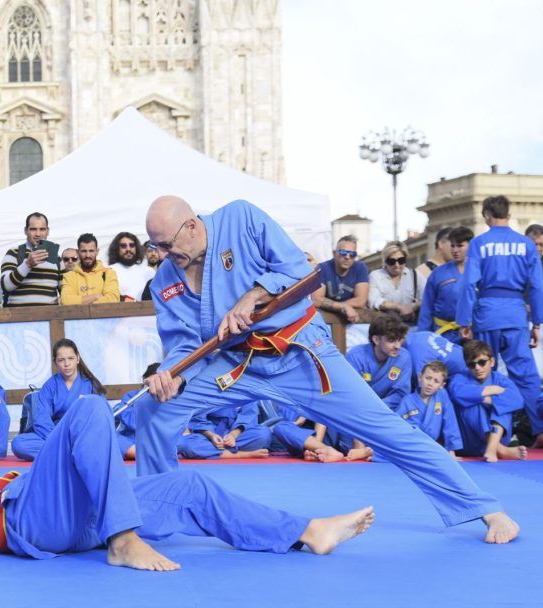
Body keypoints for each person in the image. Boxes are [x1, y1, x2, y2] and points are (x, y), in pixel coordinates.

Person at [135, 196, 518, 544]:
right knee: (153, 409)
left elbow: (300, 271)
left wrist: (253, 295)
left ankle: (486, 508)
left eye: (167, 245)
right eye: (156, 247)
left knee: (386, 429)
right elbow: (184, 343)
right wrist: (174, 374)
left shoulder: (240, 217)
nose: (164, 255)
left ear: (190, 225)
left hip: (301, 354)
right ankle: (155, 509)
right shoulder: (166, 279)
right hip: (236, 362)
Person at [0, 396, 377, 570]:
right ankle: (122, 540)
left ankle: (307, 532)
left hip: (68, 510)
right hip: (29, 520)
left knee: (189, 487)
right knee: (89, 407)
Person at [456, 195, 543, 444]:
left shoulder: (479, 244)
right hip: (517, 314)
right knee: (527, 376)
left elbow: (468, 285)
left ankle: (490, 433)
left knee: (485, 372)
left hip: (487, 313)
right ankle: (541, 429)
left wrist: (464, 320)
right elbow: (538, 286)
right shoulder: (526, 244)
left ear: (487, 215)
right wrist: (538, 322)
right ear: (508, 214)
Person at [323, 313, 412, 460]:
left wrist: (378, 409)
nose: (397, 346)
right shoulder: (356, 356)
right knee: (346, 440)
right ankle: (369, 451)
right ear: (376, 339)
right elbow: (349, 396)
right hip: (356, 413)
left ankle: (369, 451)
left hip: (385, 413)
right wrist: (369, 411)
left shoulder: (404, 357)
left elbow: (400, 394)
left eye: (399, 340)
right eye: (391, 340)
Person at [11, 339, 105, 461]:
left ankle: (64, 455)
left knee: (105, 441)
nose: (67, 364)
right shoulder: (50, 386)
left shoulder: (92, 385)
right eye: (61, 360)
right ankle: (74, 454)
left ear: (77, 359)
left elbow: (101, 417)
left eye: (70, 358)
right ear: (55, 362)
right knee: (19, 444)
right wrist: (59, 439)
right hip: (56, 435)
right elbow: (41, 419)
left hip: (83, 435)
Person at [448, 340, 527, 462]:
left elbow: (517, 400)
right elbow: (456, 393)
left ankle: (492, 447)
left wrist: (491, 401)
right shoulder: (460, 377)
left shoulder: (500, 379)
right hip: (468, 442)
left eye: (482, 362)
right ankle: (500, 450)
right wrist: (488, 391)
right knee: (473, 405)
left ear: (492, 361)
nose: (477, 368)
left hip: (497, 437)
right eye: (471, 364)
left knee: (504, 408)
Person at [395, 361, 462, 456]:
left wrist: (451, 449)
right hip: (408, 444)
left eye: (436, 381)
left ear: (442, 385)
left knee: (441, 456)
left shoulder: (442, 396)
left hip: (430, 446)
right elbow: (395, 423)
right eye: (428, 378)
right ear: (420, 378)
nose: (430, 384)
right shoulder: (408, 401)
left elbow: (450, 422)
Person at [418, 225, 472, 342]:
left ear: (470, 245)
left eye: (460, 246)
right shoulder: (438, 273)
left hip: (472, 334)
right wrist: (423, 337)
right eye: (452, 246)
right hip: (443, 335)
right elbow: (427, 308)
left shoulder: (480, 272)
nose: (455, 250)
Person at [0, 212, 61, 307]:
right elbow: (6, 286)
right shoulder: (14, 253)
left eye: (42, 229)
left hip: (49, 319)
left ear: (48, 231)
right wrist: (27, 264)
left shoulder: (56, 258)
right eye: (33, 229)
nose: (38, 234)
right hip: (19, 318)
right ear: (25, 231)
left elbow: (65, 292)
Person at [177, 402, 272, 460]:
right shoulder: (206, 384)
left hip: (237, 434)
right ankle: (244, 454)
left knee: (263, 434)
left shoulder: (248, 385)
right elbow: (197, 418)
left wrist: (234, 434)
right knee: (186, 443)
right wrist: (211, 435)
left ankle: (209, 452)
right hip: (209, 435)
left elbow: (249, 415)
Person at [263, 401, 344, 462]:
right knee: (281, 428)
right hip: (306, 440)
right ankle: (321, 450)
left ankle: (323, 450)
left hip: (332, 433)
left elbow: (321, 411)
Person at [112, 363, 160, 460]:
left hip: (156, 441)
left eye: (159, 382)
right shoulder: (131, 396)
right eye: (153, 381)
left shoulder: (168, 398)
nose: (156, 386)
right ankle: (144, 454)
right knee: (113, 439)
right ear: (145, 380)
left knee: (186, 442)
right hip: (131, 440)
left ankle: (149, 453)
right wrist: (146, 399)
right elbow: (130, 421)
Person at [317, 235, 368, 323]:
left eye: (352, 254)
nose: (347, 257)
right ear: (334, 253)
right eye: (343, 252)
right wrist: (343, 307)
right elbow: (316, 299)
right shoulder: (323, 268)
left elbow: (361, 301)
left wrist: (341, 306)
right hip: (326, 315)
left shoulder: (360, 267)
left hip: (351, 316)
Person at [60, 233, 120, 305]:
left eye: (91, 251)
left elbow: (113, 299)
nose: (87, 255)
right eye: (84, 251)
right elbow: (66, 301)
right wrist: (96, 296)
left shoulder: (108, 273)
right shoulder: (69, 276)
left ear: (97, 252)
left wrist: (82, 302)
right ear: (78, 252)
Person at [368, 241, 419, 322]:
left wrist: (414, 306)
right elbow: (374, 300)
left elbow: (428, 297)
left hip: (413, 325)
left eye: (401, 260)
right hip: (386, 326)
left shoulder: (414, 275)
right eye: (391, 261)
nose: (397, 265)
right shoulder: (375, 276)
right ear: (385, 261)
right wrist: (399, 307)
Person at [107, 232, 153, 301]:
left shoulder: (149, 271)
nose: (128, 249)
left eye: (131, 245)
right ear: (117, 249)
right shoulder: (110, 270)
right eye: (123, 246)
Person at [415, 227, 452, 299]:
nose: (456, 249)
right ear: (441, 244)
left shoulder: (456, 270)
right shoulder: (421, 272)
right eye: (453, 245)